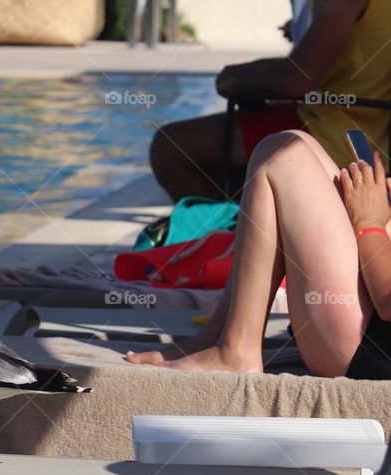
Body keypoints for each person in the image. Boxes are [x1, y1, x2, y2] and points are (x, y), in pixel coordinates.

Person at [127, 130, 391, 380]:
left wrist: (370, 224)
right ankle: (218, 333)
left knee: (283, 155)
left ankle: (237, 351)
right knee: (298, 141)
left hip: (369, 349)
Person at [150, 0, 391, 202]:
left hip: (337, 136)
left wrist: (235, 77)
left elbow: (297, 79)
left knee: (169, 148)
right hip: (364, 131)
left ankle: (228, 243)